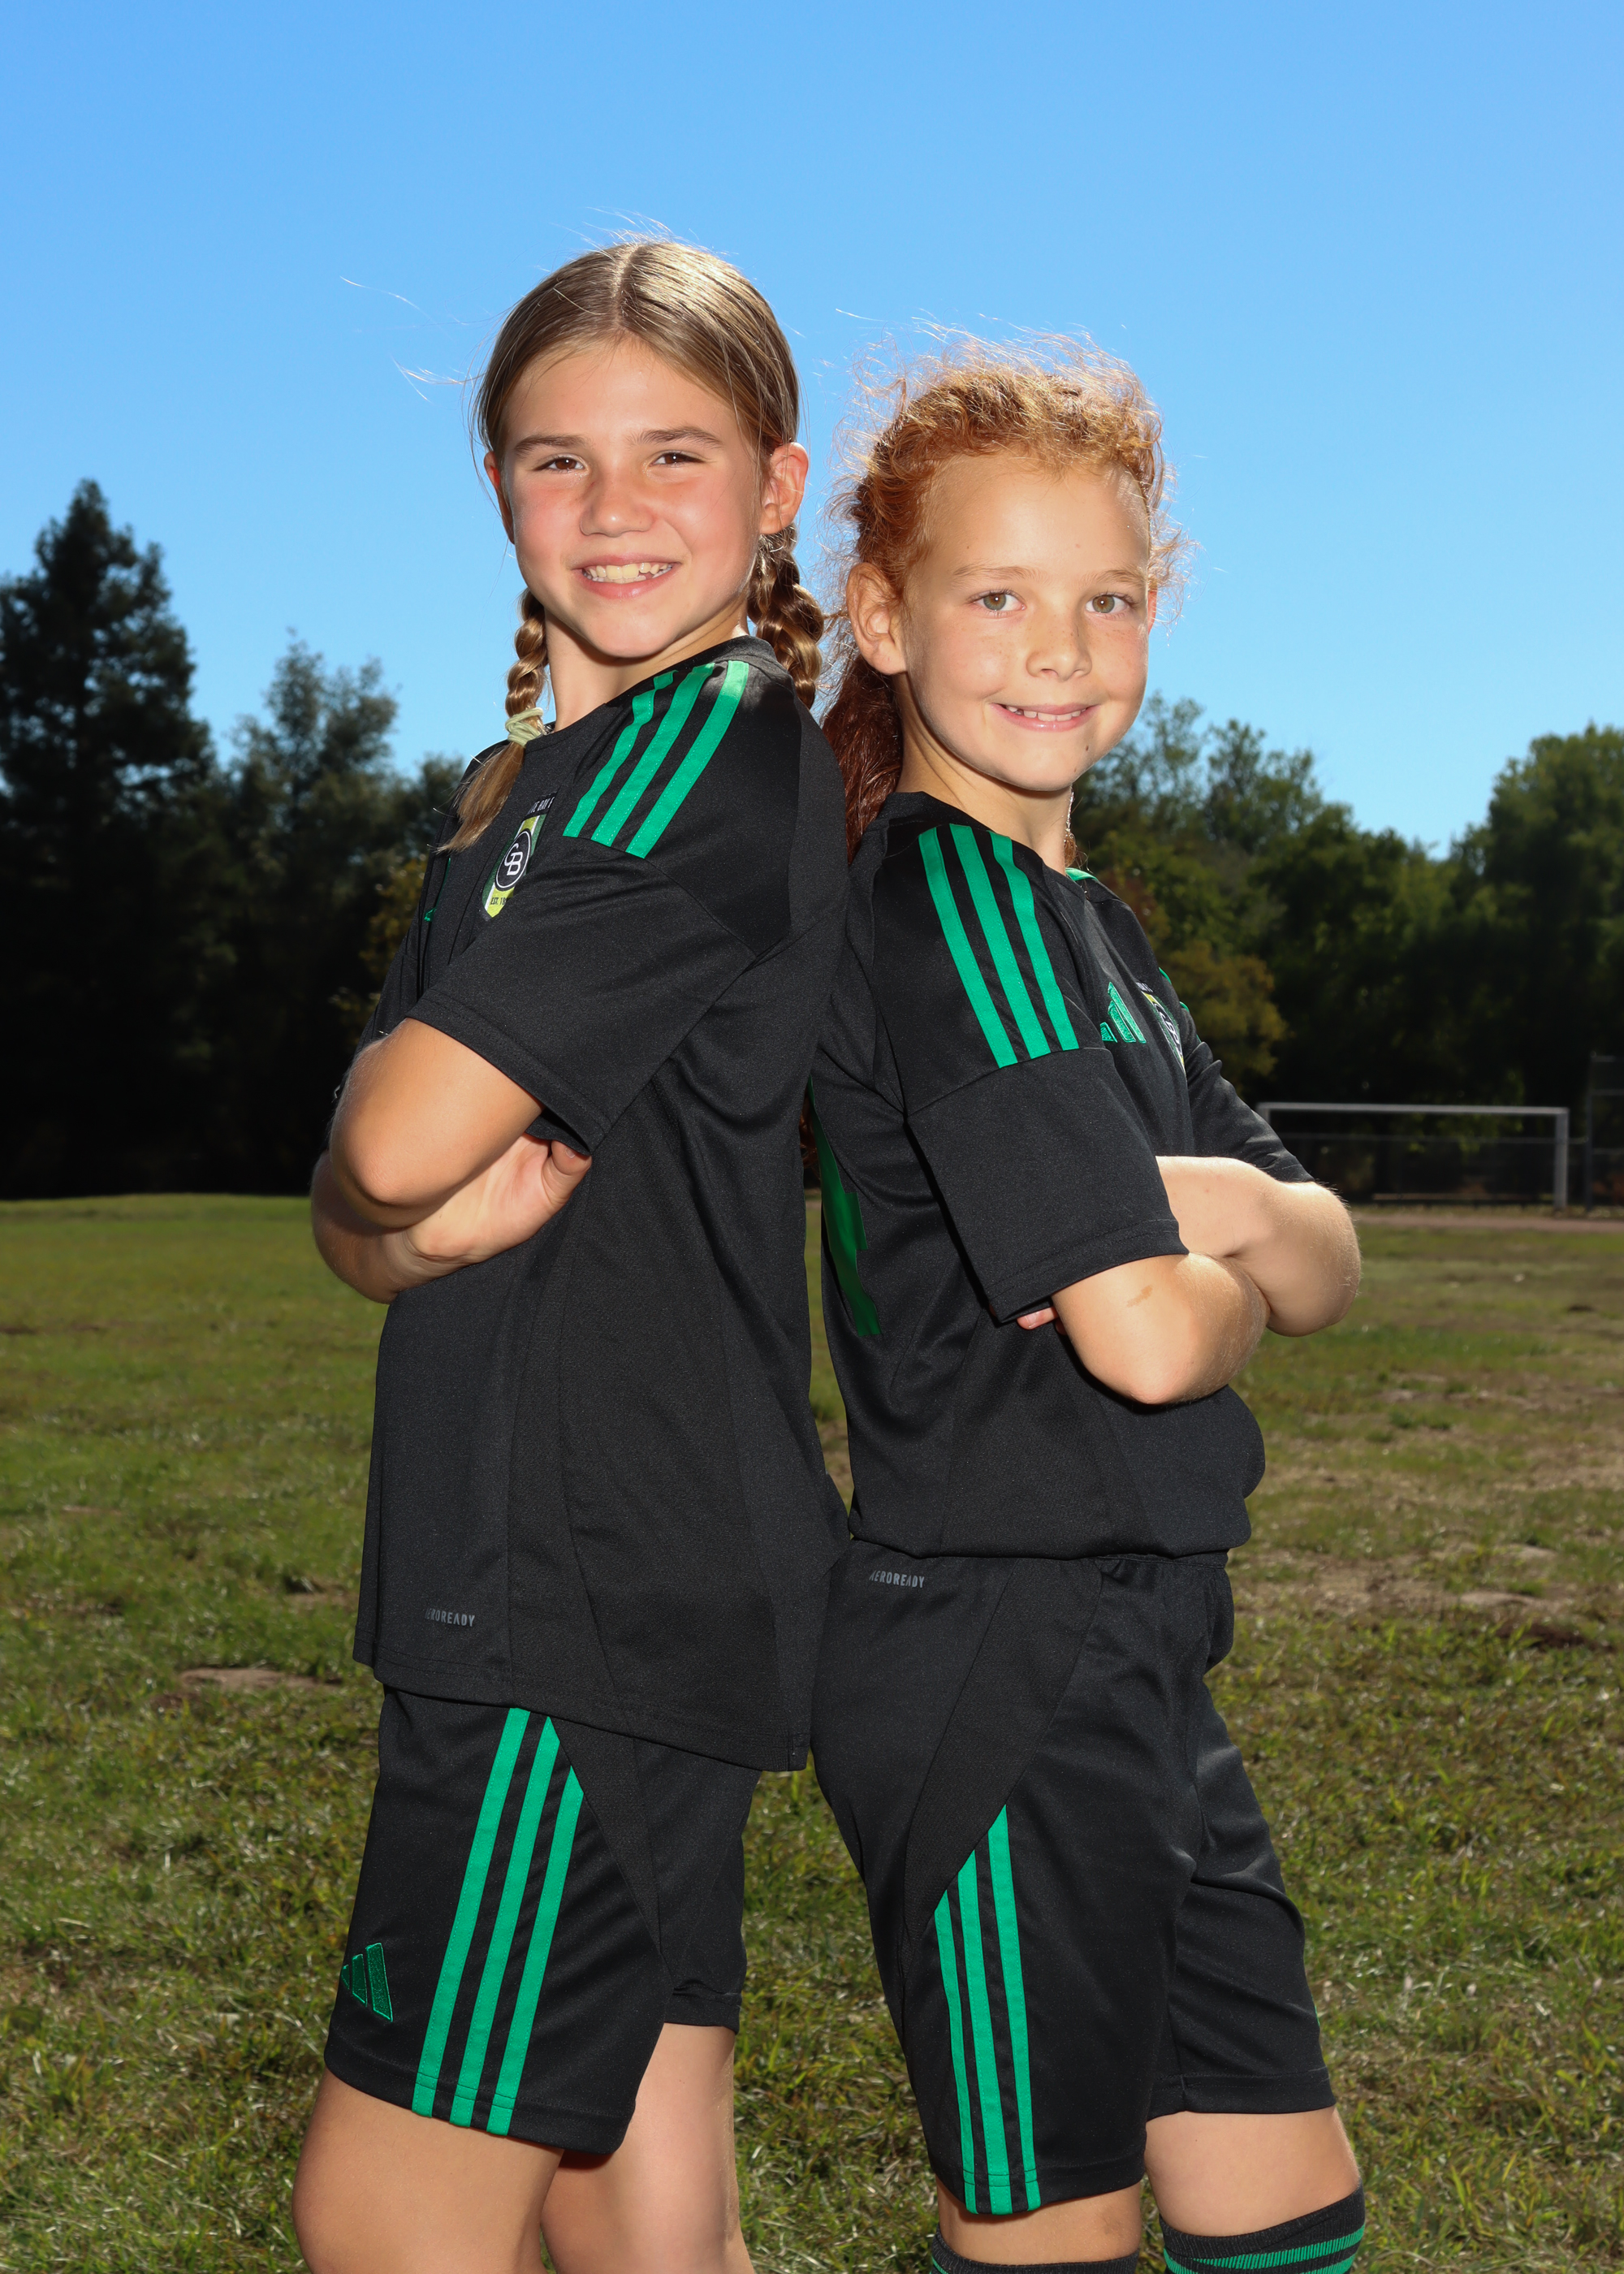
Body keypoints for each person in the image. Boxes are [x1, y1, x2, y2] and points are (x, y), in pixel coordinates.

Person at [292, 241, 849, 2274]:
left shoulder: (710, 750)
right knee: (638, 2204)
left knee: (386, 2217)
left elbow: (383, 1142)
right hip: (571, 1584)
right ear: (498, 488)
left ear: (778, 487)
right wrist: (384, 1220)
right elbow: (359, 1209)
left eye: (673, 453)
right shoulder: (525, 793)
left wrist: (384, 1194)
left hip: (583, 1597)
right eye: (557, 458)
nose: (614, 506)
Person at [806, 344, 1367, 2274]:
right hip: (996, 1661)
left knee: (1286, 2209)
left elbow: (1327, 1250)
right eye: (997, 595)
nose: (1060, 647)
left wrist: (1220, 1212)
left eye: (1107, 598)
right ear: (883, 618)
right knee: (1053, 2234)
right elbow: (1143, 1337)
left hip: (1145, 1644)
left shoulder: (1094, 931)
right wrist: (1227, 1267)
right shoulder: (944, 903)